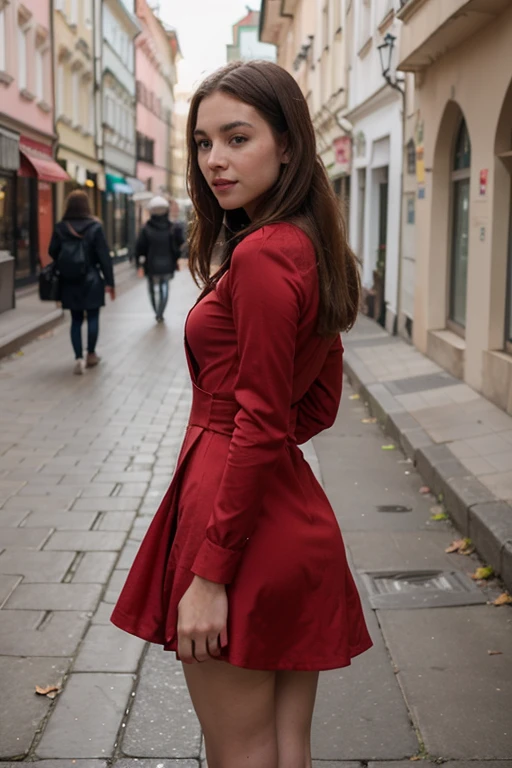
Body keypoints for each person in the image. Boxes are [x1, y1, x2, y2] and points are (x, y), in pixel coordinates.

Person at [111, 60, 372, 768]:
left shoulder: (259, 255)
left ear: (288, 144)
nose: (215, 161)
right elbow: (314, 403)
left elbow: (260, 419)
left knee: (242, 754)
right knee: (288, 750)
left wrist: (208, 574)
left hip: (233, 531)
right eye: (202, 143)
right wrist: (257, 441)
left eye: (236, 138)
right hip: (293, 521)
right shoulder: (312, 248)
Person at [49, 190, 115, 375]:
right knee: (93, 317)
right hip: (92, 278)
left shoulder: (61, 227)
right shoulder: (95, 227)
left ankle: (78, 357)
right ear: (87, 206)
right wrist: (110, 283)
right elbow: (104, 257)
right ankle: (91, 355)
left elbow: (52, 251)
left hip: (69, 280)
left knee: (76, 320)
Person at [135, 196, 183, 322]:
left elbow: (140, 248)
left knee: (152, 287)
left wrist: (139, 264)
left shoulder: (146, 229)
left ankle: (157, 310)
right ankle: (160, 311)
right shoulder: (172, 227)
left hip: (151, 263)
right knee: (165, 286)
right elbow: (180, 244)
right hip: (168, 263)